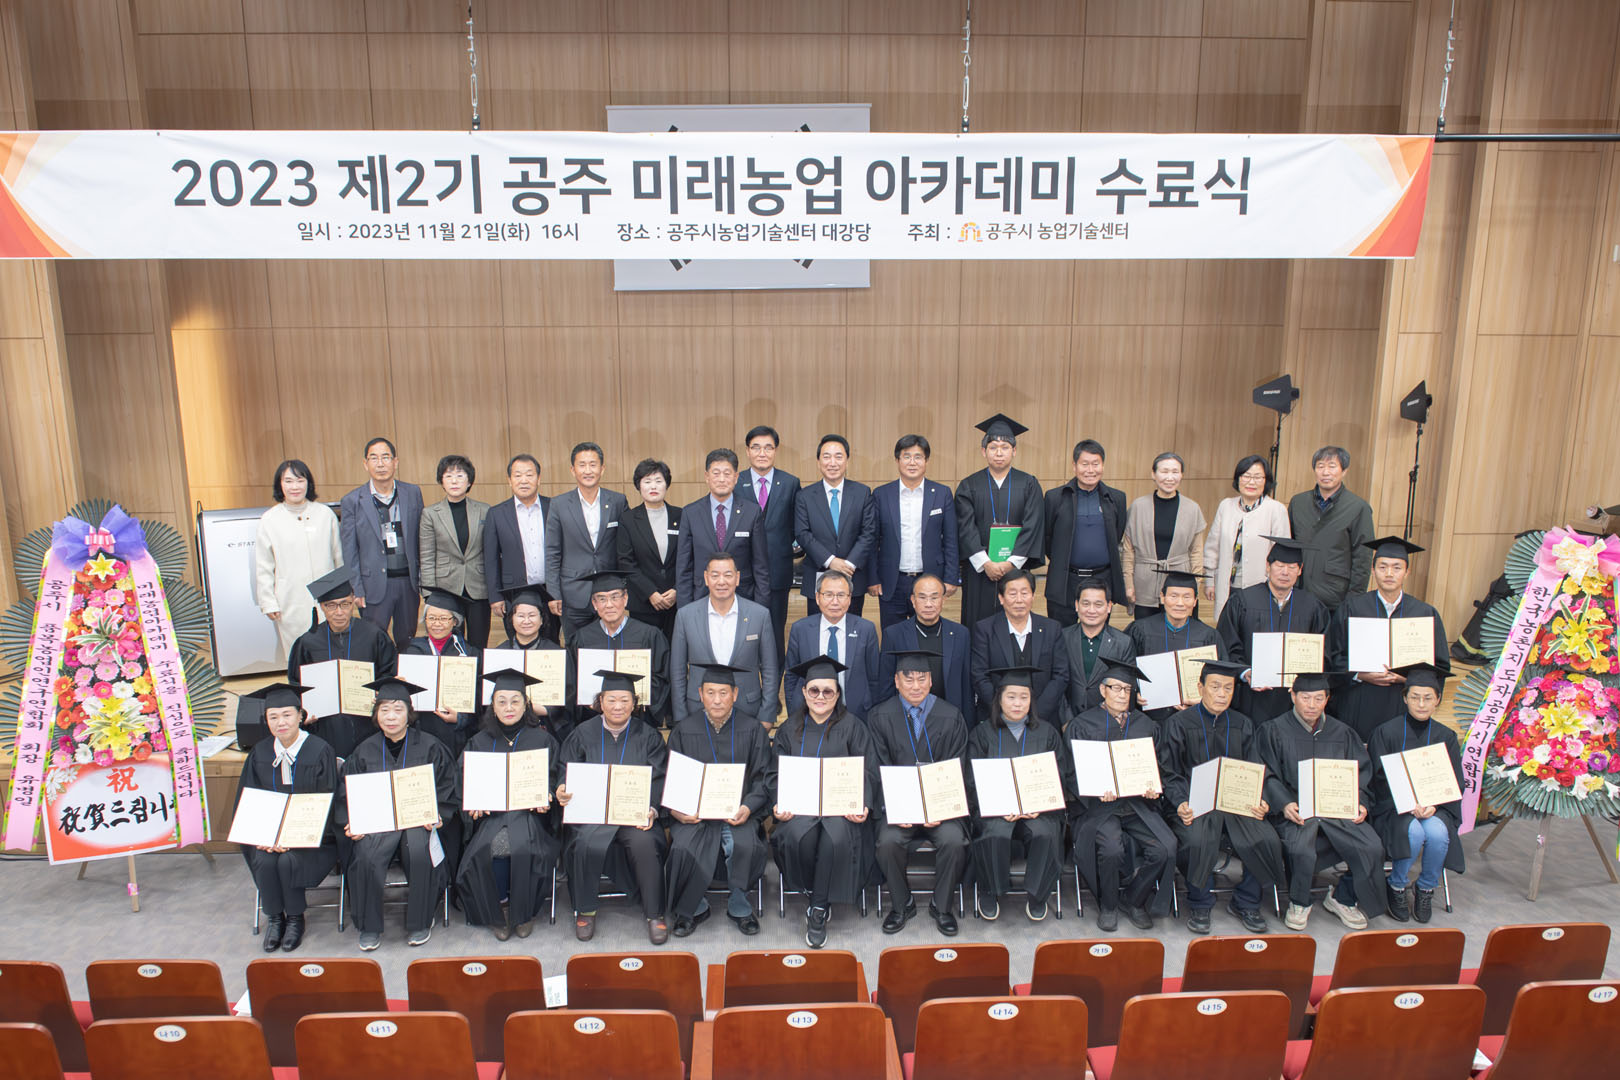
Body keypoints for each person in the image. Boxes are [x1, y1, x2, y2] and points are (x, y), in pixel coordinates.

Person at [1159, 660, 1285, 935]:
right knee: (1197, 840)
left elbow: (1256, 768)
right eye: (1215, 686)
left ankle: (1246, 902)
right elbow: (1169, 772)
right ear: (1200, 687)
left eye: (1228, 688)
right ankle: (1200, 903)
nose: (1221, 694)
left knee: (1265, 837)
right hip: (1194, 805)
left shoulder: (1243, 724)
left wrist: (1261, 799)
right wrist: (1181, 803)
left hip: (1236, 804)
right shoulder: (1178, 724)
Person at [1255, 672, 1388, 930]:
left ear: (1327, 699)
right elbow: (1266, 773)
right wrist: (1284, 803)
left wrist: (1361, 802)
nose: (1312, 705)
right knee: (1301, 849)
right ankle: (1299, 901)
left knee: (1372, 846)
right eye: (1305, 698)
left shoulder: (1343, 733)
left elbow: (1361, 773)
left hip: (1337, 809)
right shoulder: (1273, 730)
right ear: (1293, 696)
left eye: (1318, 698)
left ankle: (1343, 898)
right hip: (1297, 809)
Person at [337, 677, 459, 950]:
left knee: (419, 850)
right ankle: (369, 926)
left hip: (417, 822)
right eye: (384, 710)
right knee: (366, 855)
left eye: (398, 709)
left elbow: (447, 787)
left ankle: (420, 920)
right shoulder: (364, 750)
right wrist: (351, 822)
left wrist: (439, 814)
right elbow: (347, 793)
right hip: (377, 824)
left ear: (409, 713)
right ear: (376, 714)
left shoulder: (430, 746)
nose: (391, 717)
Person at [768, 657, 874, 949]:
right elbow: (774, 773)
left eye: (828, 691)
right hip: (799, 810)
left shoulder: (853, 727)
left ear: (837, 695)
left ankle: (817, 908)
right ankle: (816, 890)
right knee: (797, 836)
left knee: (834, 837)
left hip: (840, 812)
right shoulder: (789, 729)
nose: (820, 697)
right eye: (814, 690)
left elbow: (868, 771)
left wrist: (863, 804)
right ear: (804, 692)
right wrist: (778, 804)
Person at [557, 670, 670, 944]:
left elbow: (660, 778)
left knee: (645, 843)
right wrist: (561, 788)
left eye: (624, 700)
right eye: (611, 699)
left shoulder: (649, 736)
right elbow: (566, 770)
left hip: (634, 816)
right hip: (592, 816)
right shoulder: (582, 733)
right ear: (600, 702)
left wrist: (652, 809)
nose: (618, 706)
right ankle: (585, 910)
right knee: (585, 842)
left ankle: (654, 914)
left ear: (634, 703)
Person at [1068, 659, 1177, 932]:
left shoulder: (1146, 725)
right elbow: (1071, 771)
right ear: (1102, 690)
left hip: (1137, 804)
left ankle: (1134, 899)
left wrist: (1153, 788)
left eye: (1127, 689)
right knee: (1112, 849)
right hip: (1100, 807)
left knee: (1166, 847)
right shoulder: (1082, 724)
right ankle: (1108, 905)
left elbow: (1161, 767)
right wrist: (1094, 791)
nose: (1122, 694)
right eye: (1116, 688)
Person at [663, 663, 771, 938]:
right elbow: (671, 779)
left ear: (735, 694)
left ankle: (739, 904)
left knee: (744, 844)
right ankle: (694, 906)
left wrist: (748, 806)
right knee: (684, 847)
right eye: (710, 693)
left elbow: (763, 778)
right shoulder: (684, 730)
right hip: (695, 816)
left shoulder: (753, 729)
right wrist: (677, 812)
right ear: (700, 694)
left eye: (724, 693)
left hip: (738, 813)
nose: (717, 700)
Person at [868, 651, 970, 937]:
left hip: (940, 809)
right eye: (908, 679)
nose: (915, 686)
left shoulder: (951, 715)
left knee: (954, 841)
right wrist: (897, 809)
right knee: (887, 842)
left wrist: (939, 809)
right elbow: (877, 768)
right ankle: (902, 904)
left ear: (931, 681)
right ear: (896, 681)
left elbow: (957, 767)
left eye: (922, 678)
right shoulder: (879, 716)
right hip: (899, 809)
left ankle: (942, 906)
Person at [456, 671, 561, 941]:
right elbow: (464, 782)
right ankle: (500, 906)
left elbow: (555, 777)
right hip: (491, 817)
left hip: (530, 816)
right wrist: (472, 805)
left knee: (521, 844)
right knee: (492, 846)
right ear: (493, 706)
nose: (509, 708)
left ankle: (523, 912)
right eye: (501, 702)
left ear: (526, 705)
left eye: (515, 701)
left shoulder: (543, 740)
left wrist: (548, 795)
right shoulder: (479, 742)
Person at [235, 682, 339, 953]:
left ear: (300, 716)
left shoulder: (319, 750)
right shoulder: (260, 753)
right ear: (266, 720)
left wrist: (292, 837)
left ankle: (294, 918)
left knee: (287, 860)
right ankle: (274, 918)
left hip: (313, 836)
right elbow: (249, 800)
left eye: (287, 715)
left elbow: (327, 802)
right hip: (269, 836)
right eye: (273, 717)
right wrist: (264, 836)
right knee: (264, 859)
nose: (280, 722)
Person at [965, 665, 1074, 921]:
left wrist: (1040, 805)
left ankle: (1038, 894)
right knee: (994, 831)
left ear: (1031, 700)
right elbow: (972, 780)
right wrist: (998, 807)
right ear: (999, 699)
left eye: (1024, 697)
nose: (1017, 703)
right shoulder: (982, 733)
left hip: (1038, 811)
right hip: (996, 811)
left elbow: (1059, 775)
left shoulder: (1047, 733)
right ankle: (990, 890)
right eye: (1011, 697)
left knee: (1045, 832)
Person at [1326, 537, 1452, 744]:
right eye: (1382, 567)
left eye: (1397, 567)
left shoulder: (1424, 613)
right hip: (1360, 699)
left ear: (1407, 572)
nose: (1389, 573)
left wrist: (1407, 679)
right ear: (1373, 570)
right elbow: (1332, 656)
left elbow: (1439, 665)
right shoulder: (1352, 608)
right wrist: (1360, 674)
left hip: (1400, 701)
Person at [1367, 665, 1464, 923]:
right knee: (1415, 832)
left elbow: (1454, 780)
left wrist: (1434, 804)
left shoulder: (1446, 736)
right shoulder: (1386, 732)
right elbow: (1377, 778)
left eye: (1428, 698)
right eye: (1415, 697)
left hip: (1434, 807)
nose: (1421, 704)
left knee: (1438, 832)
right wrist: (1409, 803)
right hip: (1394, 808)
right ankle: (1397, 884)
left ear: (1437, 700)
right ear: (1405, 698)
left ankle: (1425, 888)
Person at [1215, 536, 1330, 724]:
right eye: (1280, 565)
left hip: (1293, 701)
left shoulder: (1312, 607)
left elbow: (1324, 653)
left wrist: (1307, 681)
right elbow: (1225, 644)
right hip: (1250, 698)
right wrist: (1245, 672)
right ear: (1268, 566)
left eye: (1292, 567)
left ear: (1300, 570)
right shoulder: (1243, 601)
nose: (1285, 572)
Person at [286, 566, 398, 758]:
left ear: (353, 602)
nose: (339, 612)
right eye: (331, 605)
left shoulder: (374, 636)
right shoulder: (307, 643)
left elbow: (389, 672)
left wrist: (381, 693)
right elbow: (296, 684)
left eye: (345, 604)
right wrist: (304, 711)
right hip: (324, 725)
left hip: (367, 721)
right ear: (322, 607)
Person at [670, 553, 781, 728]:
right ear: (706, 578)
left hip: (747, 711)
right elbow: (677, 671)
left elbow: (770, 670)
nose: (721, 582)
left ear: (737, 578)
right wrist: (681, 716)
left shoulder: (759, 615)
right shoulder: (686, 616)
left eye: (728, 575)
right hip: (697, 712)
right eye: (715, 575)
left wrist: (767, 716)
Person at [955, 414, 1045, 630]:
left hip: (1016, 570)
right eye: (993, 447)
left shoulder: (1029, 483)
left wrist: (1011, 563)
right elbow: (965, 527)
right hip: (979, 570)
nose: (998, 452)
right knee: (977, 624)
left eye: (1005, 447)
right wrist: (985, 563)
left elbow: (1033, 525)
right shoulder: (969, 485)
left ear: (1014, 451)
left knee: (1014, 621)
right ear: (983, 451)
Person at [339, 437, 424, 651]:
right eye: (374, 458)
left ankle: (403, 673)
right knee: (374, 642)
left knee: (407, 640)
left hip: (408, 583)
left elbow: (421, 538)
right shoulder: (352, 501)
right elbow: (349, 550)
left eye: (386, 457)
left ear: (395, 462)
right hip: (372, 585)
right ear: (365, 464)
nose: (380, 464)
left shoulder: (412, 493)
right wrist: (357, 588)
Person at [869, 434, 960, 628]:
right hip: (892, 580)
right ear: (897, 460)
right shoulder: (881, 494)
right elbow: (872, 539)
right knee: (892, 634)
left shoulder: (942, 493)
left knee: (928, 632)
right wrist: (873, 578)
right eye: (906, 456)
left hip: (930, 579)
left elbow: (951, 539)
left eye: (918, 457)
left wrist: (951, 577)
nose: (912, 462)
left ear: (926, 461)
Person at [255, 459, 342, 657]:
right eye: (288, 481)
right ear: (280, 485)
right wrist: (268, 602)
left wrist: (341, 595)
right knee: (298, 654)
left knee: (332, 653)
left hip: (327, 597)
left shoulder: (325, 514)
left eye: (300, 480)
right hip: (290, 598)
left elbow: (339, 558)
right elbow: (264, 566)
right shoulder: (270, 519)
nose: (295, 487)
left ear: (308, 483)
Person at [567, 570, 672, 728]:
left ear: (626, 598)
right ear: (594, 604)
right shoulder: (581, 638)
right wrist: (588, 704)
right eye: (602, 599)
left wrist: (637, 703)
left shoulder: (649, 635)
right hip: (593, 722)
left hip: (638, 722)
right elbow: (572, 680)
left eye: (615, 597)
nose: (609, 605)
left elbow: (661, 677)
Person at [546, 442, 628, 636]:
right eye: (582, 465)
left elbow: (626, 547)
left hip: (609, 594)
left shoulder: (617, 501)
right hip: (573, 593)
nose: (588, 470)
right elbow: (552, 552)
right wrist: (553, 593)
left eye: (593, 464)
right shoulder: (559, 504)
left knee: (609, 645)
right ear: (573, 470)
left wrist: (624, 587)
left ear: (602, 468)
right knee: (575, 646)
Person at [1042, 439, 1127, 626]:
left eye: (1095, 464)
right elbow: (1047, 538)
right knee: (1061, 634)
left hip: (1102, 579)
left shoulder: (1117, 498)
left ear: (1103, 465)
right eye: (1085, 464)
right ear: (1074, 466)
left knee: (1097, 632)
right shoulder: (1055, 497)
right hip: (1065, 580)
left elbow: (1117, 533)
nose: (1090, 470)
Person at [969, 570, 1070, 724]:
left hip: (1043, 720)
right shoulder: (985, 629)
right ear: (1001, 598)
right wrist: (1003, 711)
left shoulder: (1051, 628)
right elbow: (979, 676)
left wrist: (1037, 714)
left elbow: (1060, 675)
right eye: (1012, 594)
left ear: (1033, 596)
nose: (1019, 600)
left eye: (1024, 593)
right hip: (997, 719)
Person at [795, 434, 877, 619]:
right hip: (817, 575)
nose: (832, 462)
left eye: (838, 456)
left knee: (852, 629)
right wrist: (830, 561)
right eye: (827, 456)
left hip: (853, 575)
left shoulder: (862, 493)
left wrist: (848, 564)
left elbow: (868, 532)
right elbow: (802, 533)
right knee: (817, 630)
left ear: (847, 461)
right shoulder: (804, 496)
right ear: (818, 462)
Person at [1125, 571, 1225, 722]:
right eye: (1173, 596)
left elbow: (1221, 677)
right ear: (1162, 597)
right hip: (1148, 719)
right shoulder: (1141, 630)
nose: (1180, 603)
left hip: (1192, 720)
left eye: (1187, 597)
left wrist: (1204, 697)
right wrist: (1134, 692)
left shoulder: (1208, 636)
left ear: (1195, 601)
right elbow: (1124, 668)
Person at [737, 425, 801, 658]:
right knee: (742, 633)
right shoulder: (736, 481)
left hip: (778, 572)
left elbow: (796, 526)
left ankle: (774, 681)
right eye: (756, 447)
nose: (762, 453)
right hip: (742, 574)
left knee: (774, 633)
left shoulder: (790, 482)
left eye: (768, 448)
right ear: (747, 451)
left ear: (776, 451)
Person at [675, 448, 770, 606]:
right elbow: (684, 568)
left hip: (743, 597)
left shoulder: (751, 512)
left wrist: (761, 607)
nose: (721, 479)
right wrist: (685, 609)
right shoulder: (690, 513)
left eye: (727, 473)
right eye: (716, 473)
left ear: (736, 477)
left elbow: (760, 566)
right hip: (701, 598)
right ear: (707, 477)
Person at [784, 571, 882, 721]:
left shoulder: (866, 629)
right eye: (828, 595)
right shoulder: (800, 629)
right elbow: (791, 676)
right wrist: (794, 711)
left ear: (849, 599)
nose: (835, 602)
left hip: (855, 714)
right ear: (817, 598)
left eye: (841, 595)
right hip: (809, 713)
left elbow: (874, 678)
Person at [1203, 454, 1291, 623]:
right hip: (1227, 586)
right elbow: (1212, 547)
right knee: (1227, 628)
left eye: (1257, 477)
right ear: (1238, 479)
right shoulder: (1226, 506)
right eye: (1246, 476)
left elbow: (1282, 554)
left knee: (1254, 627)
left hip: (1262, 586)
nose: (1251, 482)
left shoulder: (1276, 509)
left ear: (1266, 481)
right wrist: (1209, 581)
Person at [418, 454, 492, 649]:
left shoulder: (484, 511)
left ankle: (477, 670)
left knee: (479, 643)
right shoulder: (430, 514)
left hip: (478, 587)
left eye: (460, 475)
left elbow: (491, 553)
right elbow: (426, 556)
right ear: (441, 481)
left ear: (469, 481)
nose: (454, 481)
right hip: (445, 588)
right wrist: (429, 594)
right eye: (448, 476)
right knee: (450, 644)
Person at [484, 453, 558, 645]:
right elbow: (491, 559)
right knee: (517, 644)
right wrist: (495, 596)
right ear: (509, 480)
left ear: (538, 479)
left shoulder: (554, 507)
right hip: (513, 592)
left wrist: (558, 592)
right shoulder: (496, 514)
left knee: (551, 643)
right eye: (518, 475)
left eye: (529, 475)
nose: (524, 480)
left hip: (550, 593)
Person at [1288, 446, 1375, 611]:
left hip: (1336, 595)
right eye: (1320, 466)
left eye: (1332, 466)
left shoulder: (1358, 507)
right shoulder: (1298, 503)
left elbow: (1362, 557)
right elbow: (1290, 545)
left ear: (1344, 471)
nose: (1325, 472)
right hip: (1299, 591)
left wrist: (1354, 598)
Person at [1121, 452, 1207, 619]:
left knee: (1181, 630)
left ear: (1181, 475)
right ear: (1153, 474)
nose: (1170, 477)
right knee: (1145, 629)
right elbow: (1128, 551)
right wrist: (1128, 584)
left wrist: (1195, 585)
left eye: (1175, 472)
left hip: (1180, 582)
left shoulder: (1192, 508)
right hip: (1144, 583)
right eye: (1164, 471)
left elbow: (1196, 552)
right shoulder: (1138, 506)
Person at [877, 573, 974, 720]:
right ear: (913, 600)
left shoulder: (961, 634)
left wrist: (967, 723)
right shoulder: (894, 634)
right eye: (922, 597)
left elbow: (966, 686)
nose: (928, 604)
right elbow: (886, 686)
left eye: (934, 597)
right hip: (907, 718)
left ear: (943, 599)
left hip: (950, 719)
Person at [401, 589, 481, 757]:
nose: (437, 624)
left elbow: (479, 698)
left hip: (455, 733)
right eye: (431, 618)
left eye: (443, 618)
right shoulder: (412, 652)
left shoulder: (468, 654)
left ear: (455, 621)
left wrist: (461, 718)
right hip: (421, 729)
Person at [494, 588, 572, 743]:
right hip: (505, 727)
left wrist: (547, 710)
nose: (526, 621)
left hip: (546, 726)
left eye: (532, 615)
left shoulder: (556, 654)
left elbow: (570, 695)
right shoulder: (499, 654)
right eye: (520, 616)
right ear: (511, 619)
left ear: (542, 619)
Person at [618, 458, 683, 643]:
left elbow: (689, 558)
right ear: (638, 486)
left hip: (676, 602)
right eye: (647, 481)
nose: (653, 486)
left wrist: (677, 590)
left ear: (666, 484)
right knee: (645, 651)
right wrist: (650, 593)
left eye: (658, 481)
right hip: (643, 602)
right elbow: (625, 562)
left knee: (675, 651)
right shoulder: (628, 520)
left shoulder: (681, 515)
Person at [1060, 577, 1136, 722]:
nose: (1091, 610)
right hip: (1069, 721)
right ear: (1076, 605)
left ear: (1109, 607)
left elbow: (1127, 687)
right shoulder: (1062, 637)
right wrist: (1066, 721)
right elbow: (1056, 683)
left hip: (1108, 721)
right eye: (1086, 604)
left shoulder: (1123, 643)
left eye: (1098, 604)